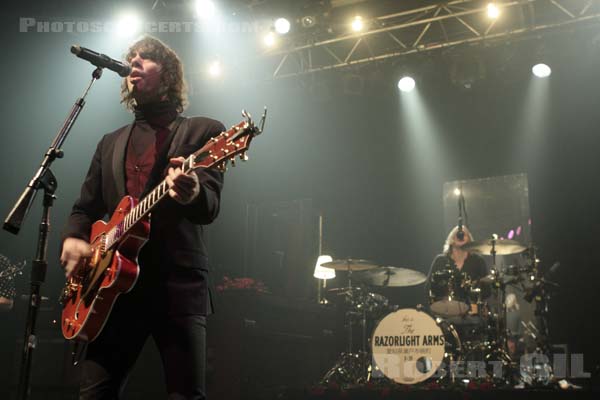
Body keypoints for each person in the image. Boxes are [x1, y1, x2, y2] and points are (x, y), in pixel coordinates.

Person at [60, 36, 225, 400]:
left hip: (176, 287)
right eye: (130, 58)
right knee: (94, 394)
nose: (133, 63)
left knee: (184, 394)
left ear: (168, 75)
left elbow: (209, 206)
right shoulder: (110, 142)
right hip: (112, 289)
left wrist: (192, 190)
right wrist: (74, 238)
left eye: (145, 58)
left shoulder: (203, 132)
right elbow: (84, 208)